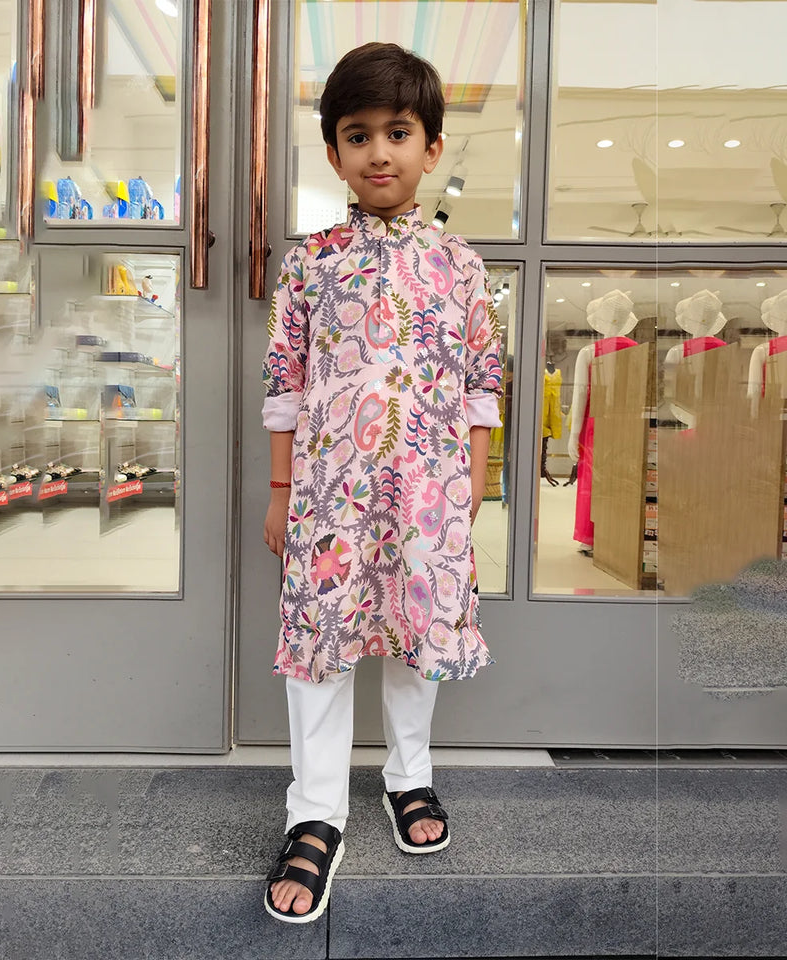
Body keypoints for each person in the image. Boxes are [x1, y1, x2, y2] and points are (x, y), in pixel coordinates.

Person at [261, 41, 503, 924]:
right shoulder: (311, 262)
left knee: (415, 638)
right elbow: (285, 382)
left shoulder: (461, 264)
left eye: (398, 132)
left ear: (431, 146)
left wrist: (471, 483)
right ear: (333, 153)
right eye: (357, 135)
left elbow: (482, 379)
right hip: (331, 492)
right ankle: (315, 808)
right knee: (319, 645)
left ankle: (410, 777)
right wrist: (283, 492)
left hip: (428, 491)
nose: (379, 153)